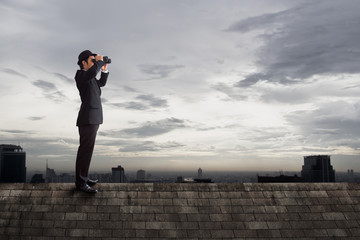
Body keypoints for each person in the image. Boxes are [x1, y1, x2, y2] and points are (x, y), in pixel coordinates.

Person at [74, 50, 109, 193]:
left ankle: (84, 177)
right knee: (85, 151)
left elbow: (101, 83)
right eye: (91, 60)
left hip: (94, 117)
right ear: (84, 62)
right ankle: (81, 183)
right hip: (87, 118)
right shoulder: (81, 75)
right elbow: (92, 73)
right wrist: (99, 62)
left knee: (88, 151)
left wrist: (104, 70)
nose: (94, 62)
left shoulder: (91, 78)